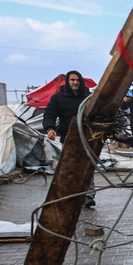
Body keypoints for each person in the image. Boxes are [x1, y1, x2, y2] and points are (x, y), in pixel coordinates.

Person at [43, 69, 98, 207]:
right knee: (70, 167)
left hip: (87, 137)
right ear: (67, 81)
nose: (75, 82)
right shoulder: (58, 98)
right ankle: (70, 195)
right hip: (68, 137)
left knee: (87, 166)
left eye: (78, 80)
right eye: (72, 80)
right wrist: (50, 128)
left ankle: (88, 196)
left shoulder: (88, 97)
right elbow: (49, 114)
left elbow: (98, 114)